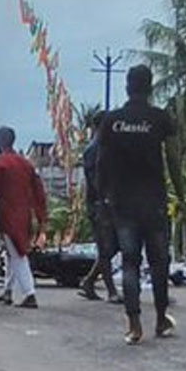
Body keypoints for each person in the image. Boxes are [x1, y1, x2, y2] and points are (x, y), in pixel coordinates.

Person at [97, 65, 184, 345]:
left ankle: (134, 324)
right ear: (150, 87)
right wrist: (180, 192)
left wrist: (103, 197)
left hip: (123, 204)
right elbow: (173, 158)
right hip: (154, 202)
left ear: (126, 87)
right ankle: (160, 319)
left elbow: (100, 163)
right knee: (159, 263)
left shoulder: (111, 121)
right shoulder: (159, 119)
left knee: (130, 263)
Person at [0, 126, 48, 309]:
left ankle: (29, 293)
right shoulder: (26, 164)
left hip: (7, 215)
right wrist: (42, 219)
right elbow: (39, 192)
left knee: (17, 255)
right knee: (13, 253)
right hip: (25, 215)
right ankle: (7, 290)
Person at [79, 111, 119, 303]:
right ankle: (111, 290)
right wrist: (105, 198)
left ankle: (89, 280)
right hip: (99, 203)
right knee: (106, 247)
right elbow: (96, 179)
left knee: (114, 246)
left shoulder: (106, 148)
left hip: (108, 202)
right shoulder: (94, 149)